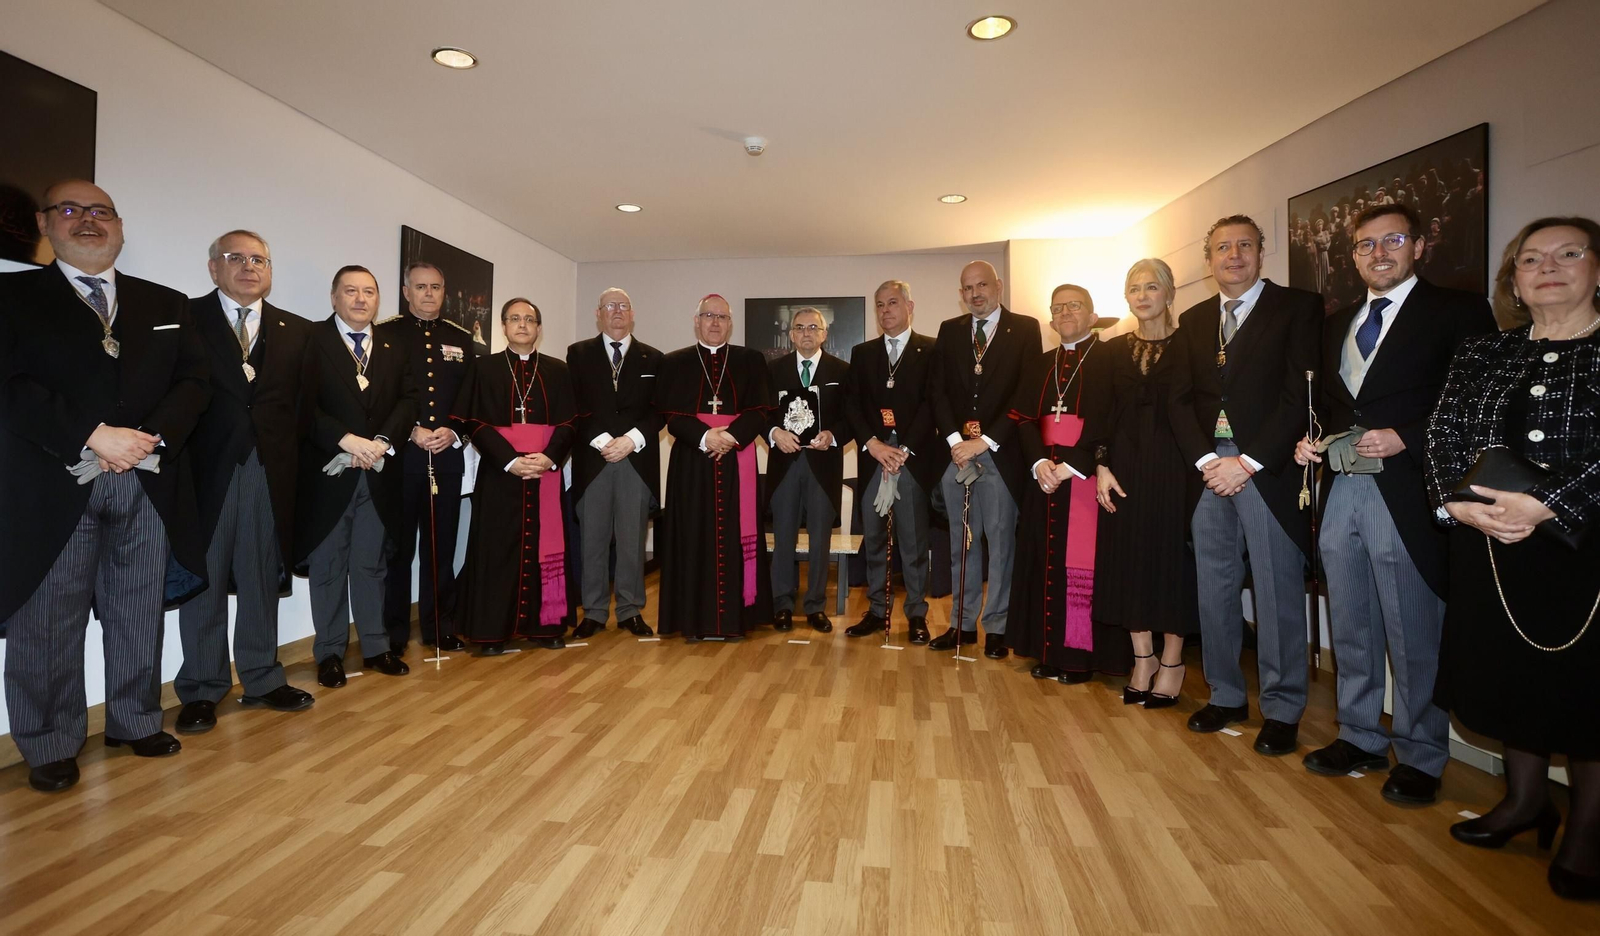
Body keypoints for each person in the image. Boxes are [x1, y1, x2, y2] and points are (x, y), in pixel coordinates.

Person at [0, 180, 210, 792]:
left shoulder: (168, 302)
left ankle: (134, 721)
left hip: (145, 478)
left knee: (138, 610)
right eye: (70, 210)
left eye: (101, 212)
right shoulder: (12, 296)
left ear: (119, 227)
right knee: (47, 620)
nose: (88, 221)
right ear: (44, 224)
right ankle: (49, 742)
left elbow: (195, 383)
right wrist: (94, 435)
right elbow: (9, 386)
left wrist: (147, 438)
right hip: (55, 480)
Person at [1293, 203, 1494, 804]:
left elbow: (1475, 397)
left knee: (1412, 628)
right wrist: (1313, 439)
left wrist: (1409, 432)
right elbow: (1335, 404)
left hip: (1409, 488)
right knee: (1350, 621)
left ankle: (1422, 754)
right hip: (1343, 486)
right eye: (1365, 245)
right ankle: (1358, 735)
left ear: (1419, 246)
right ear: (1353, 255)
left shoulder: (1458, 311)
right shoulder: (1338, 322)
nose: (1379, 253)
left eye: (1393, 240)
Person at [1428, 217, 1600, 901]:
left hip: (1586, 550)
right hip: (1492, 549)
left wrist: (1550, 502)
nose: (1547, 267)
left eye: (1568, 254)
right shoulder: (1482, 353)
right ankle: (1525, 801)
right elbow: (1443, 434)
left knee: (1586, 690)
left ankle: (1589, 824)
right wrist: (1455, 504)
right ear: (1515, 282)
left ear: (1597, 270)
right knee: (1511, 678)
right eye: (1530, 259)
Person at [1168, 215, 1321, 756]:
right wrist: (1210, 459)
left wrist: (1249, 461)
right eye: (1222, 247)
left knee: (1278, 592)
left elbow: (1299, 396)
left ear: (1260, 252)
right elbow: (1179, 399)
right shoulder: (1191, 319)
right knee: (1213, 588)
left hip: (1268, 471)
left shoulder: (1298, 308)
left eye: (1244, 246)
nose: (1233, 255)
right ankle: (1226, 694)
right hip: (1209, 471)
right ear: (1208, 260)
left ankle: (1281, 709)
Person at [175, 230, 317, 735]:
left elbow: (304, 408)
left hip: (269, 471)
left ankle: (261, 677)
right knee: (204, 582)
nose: (249, 267)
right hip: (204, 472)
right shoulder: (185, 318)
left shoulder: (298, 331)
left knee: (260, 576)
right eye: (236, 258)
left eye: (260, 259)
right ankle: (201, 689)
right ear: (214, 267)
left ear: (270, 271)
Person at [1083, 259, 1198, 709]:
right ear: (1126, 297)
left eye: (1153, 287)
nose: (1143, 295)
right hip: (1124, 472)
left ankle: (1172, 662)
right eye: (1135, 288)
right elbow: (1099, 417)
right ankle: (1142, 659)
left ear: (1170, 293)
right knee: (1128, 563)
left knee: (1172, 565)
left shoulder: (1193, 344)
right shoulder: (1110, 351)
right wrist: (1102, 466)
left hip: (1178, 470)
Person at [295, 265, 417, 688]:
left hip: (379, 473)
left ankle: (376, 648)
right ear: (334, 297)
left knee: (371, 565)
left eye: (369, 292)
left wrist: (382, 441)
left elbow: (408, 399)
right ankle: (328, 653)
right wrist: (346, 440)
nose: (361, 299)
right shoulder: (310, 340)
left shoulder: (394, 345)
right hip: (330, 475)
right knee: (328, 567)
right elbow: (300, 404)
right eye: (351, 291)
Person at [1007, 285, 1128, 681]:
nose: (1064, 313)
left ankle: (1080, 658)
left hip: (1087, 478)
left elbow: (1111, 418)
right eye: (1057, 308)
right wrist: (1040, 462)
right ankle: (1048, 651)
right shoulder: (1040, 364)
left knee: (1082, 568)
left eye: (1074, 306)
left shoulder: (1112, 358)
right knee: (1045, 563)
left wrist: (1071, 465)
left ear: (1093, 316)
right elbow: (1023, 419)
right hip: (1043, 479)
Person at [928, 261, 1043, 659]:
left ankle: (997, 627)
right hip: (958, 455)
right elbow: (937, 392)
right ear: (961, 294)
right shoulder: (950, 330)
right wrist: (957, 440)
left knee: (1000, 545)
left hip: (1000, 455)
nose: (975, 293)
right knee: (962, 545)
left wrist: (987, 440)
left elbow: (1027, 392)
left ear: (998, 285)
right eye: (967, 288)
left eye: (982, 285)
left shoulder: (1025, 328)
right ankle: (962, 625)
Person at [453, 299, 576, 653]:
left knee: (546, 547)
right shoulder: (485, 368)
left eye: (529, 320)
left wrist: (549, 458)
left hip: (545, 473)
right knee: (495, 550)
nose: (522, 325)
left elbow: (570, 423)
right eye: (515, 319)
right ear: (504, 326)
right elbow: (474, 420)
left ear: (539, 328)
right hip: (500, 474)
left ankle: (546, 626)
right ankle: (491, 632)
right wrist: (509, 460)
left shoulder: (558, 370)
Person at [654, 294, 775, 640]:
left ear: (730, 323)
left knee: (739, 537)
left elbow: (759, 411)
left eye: (722, 316)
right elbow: (671, 416)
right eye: (708, 315)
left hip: (737, 460)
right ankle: (692, 621)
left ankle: (737, 619)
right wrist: (707, 437)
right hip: (693, 461)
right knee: (692, 534)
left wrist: (732, 437)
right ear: (696, 321)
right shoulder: (675, 362)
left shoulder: (750, 360)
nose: (715, 322)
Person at [376, 262, 476, 655]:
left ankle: (438, 626)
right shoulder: (385, 334)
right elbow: (381, 396)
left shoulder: (461, 338)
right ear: (406, 291)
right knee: (397, 550)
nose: (429, 294)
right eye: (421, 287)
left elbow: (470, 395)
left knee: (441, 547)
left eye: (436, 287)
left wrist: (455, 431)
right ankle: (395, 632)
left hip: (446, 456)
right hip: (402, 457)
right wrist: (409, 430)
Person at [843, 280, 937, 643]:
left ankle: (916, 615)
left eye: (893, 303)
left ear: (909, 306)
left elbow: (932, 403)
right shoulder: (863, 352)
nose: (885, 311)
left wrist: (904, 449)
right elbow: (851, 404)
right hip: (873, 459)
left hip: (911, 460)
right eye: (879, 305)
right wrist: (873, 445)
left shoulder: (931, 350)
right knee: (875, 540)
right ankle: (878, 611)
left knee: (913, 543)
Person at [567, 288, 663, 638]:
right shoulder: (577, 354)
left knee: (632, 540)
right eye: (611, 306)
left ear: (632, 313)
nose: (617, 311)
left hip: (635, 461)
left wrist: (630, 440)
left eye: (623, 306)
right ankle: (592, 612)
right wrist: (604, 440)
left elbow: (659, 411)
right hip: (594, 460)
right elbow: (574, 404)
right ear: (599, 313)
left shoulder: (654, 357)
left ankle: (629, 610)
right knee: (591, 540)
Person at [767, 308, 849, 633]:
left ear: (824, 333)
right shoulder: (772, 370)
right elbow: (761, 413)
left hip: (823, 465)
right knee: (783, 537)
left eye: (813, 327)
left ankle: (815, 606)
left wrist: (833, 435)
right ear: (790, 335)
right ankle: (783, 605)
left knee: (820, 539)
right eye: (799, 327)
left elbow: (850, 416)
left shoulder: (842, 371)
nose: (806, 333)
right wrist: (775, 433)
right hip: (784, 464)